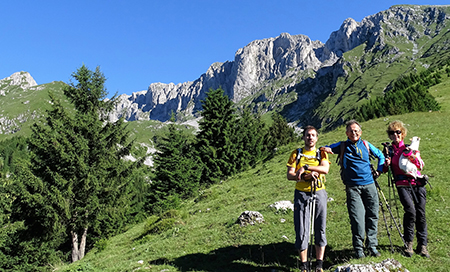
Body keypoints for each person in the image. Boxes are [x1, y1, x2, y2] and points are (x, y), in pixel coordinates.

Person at [321, 120, 385, 259]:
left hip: (370, 185)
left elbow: (380, 155)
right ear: (346, 133)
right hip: (352, 188)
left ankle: (372, 246)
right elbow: (326, 148)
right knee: (357, 218)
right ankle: (358, 249)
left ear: (360, 132)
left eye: (356, 130)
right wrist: (324, 150)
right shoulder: (342, 145)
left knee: (373, 215)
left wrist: (379, 171)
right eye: (351, 130)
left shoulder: (366, 145)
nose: (353, 133)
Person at [287, 126, 330, 272]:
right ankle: (304, 265)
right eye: (307, 135)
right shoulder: (296, 153)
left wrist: (305, 168)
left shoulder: (321, 153)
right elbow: (289, 175)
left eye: (313, 135)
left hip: (319, 192)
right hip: (301, 193)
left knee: (320, 226)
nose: (310, 137)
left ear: (317, 138)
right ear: (303, 137)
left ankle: (319, 264)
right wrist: (304, 177)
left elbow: (325, 169)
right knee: (301, 229)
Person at [384, 120, 430, 258]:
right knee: (410, 211)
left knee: (421, 213)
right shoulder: (389, 150)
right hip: (402, 184)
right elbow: (386, 169)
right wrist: (386, 164)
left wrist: (411, 155)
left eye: (398, 132)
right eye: (392, 133)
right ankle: (409, 242)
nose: (395, 135)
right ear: (390, 135)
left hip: (417, 183)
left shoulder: (411, 147)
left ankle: (423, 245)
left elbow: (420, 165)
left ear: (403, 134)